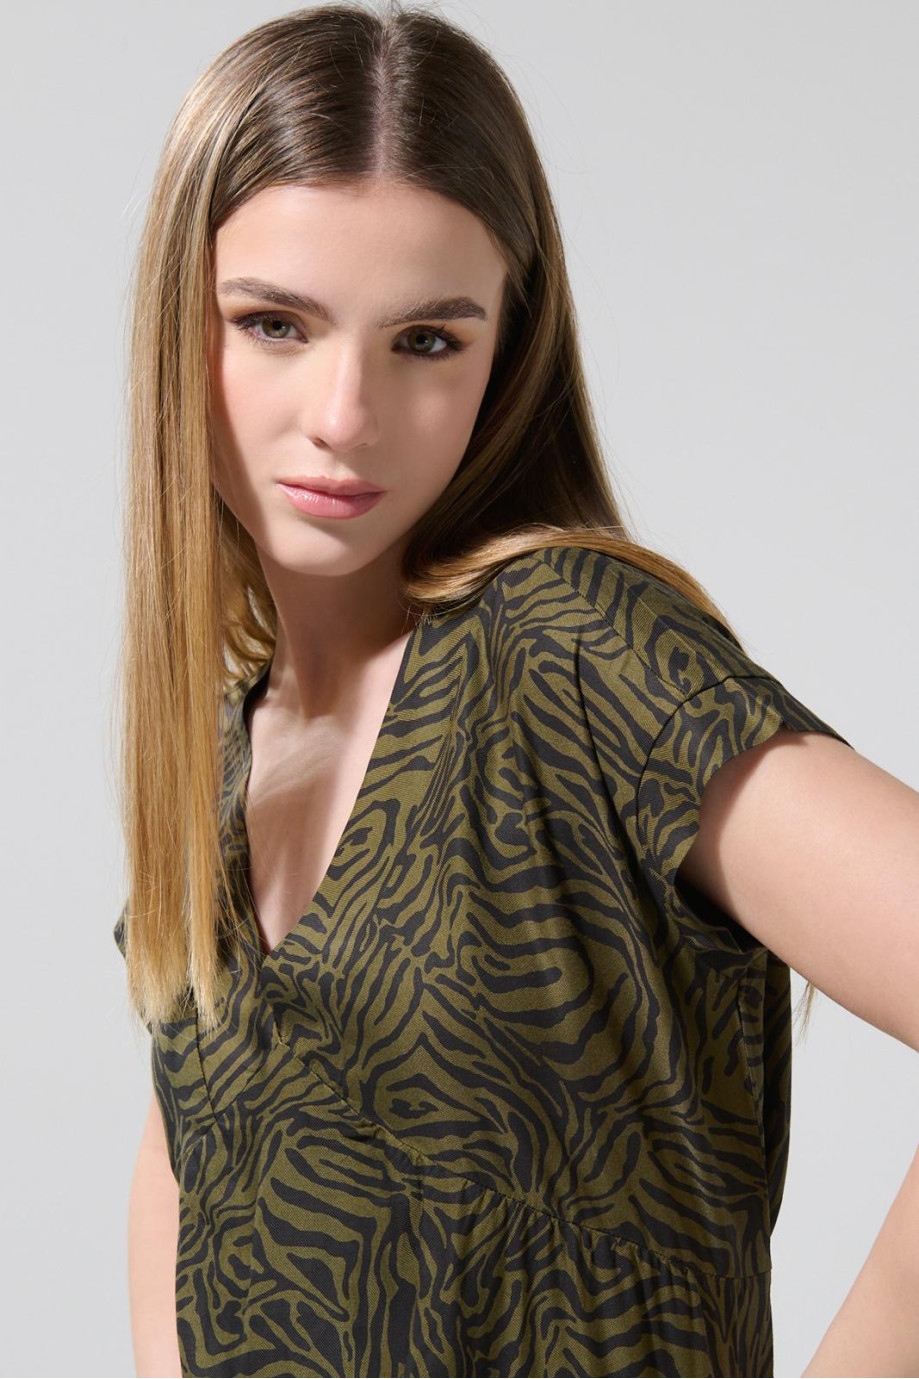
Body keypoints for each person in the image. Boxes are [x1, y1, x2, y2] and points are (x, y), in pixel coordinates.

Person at [112, 5, 919, 1377]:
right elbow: (195, 1179)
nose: (344, 415)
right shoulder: (223, 753)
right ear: (178, 328)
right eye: (274, 324)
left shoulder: (570, 651)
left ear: (508, 354)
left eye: (427, 340)